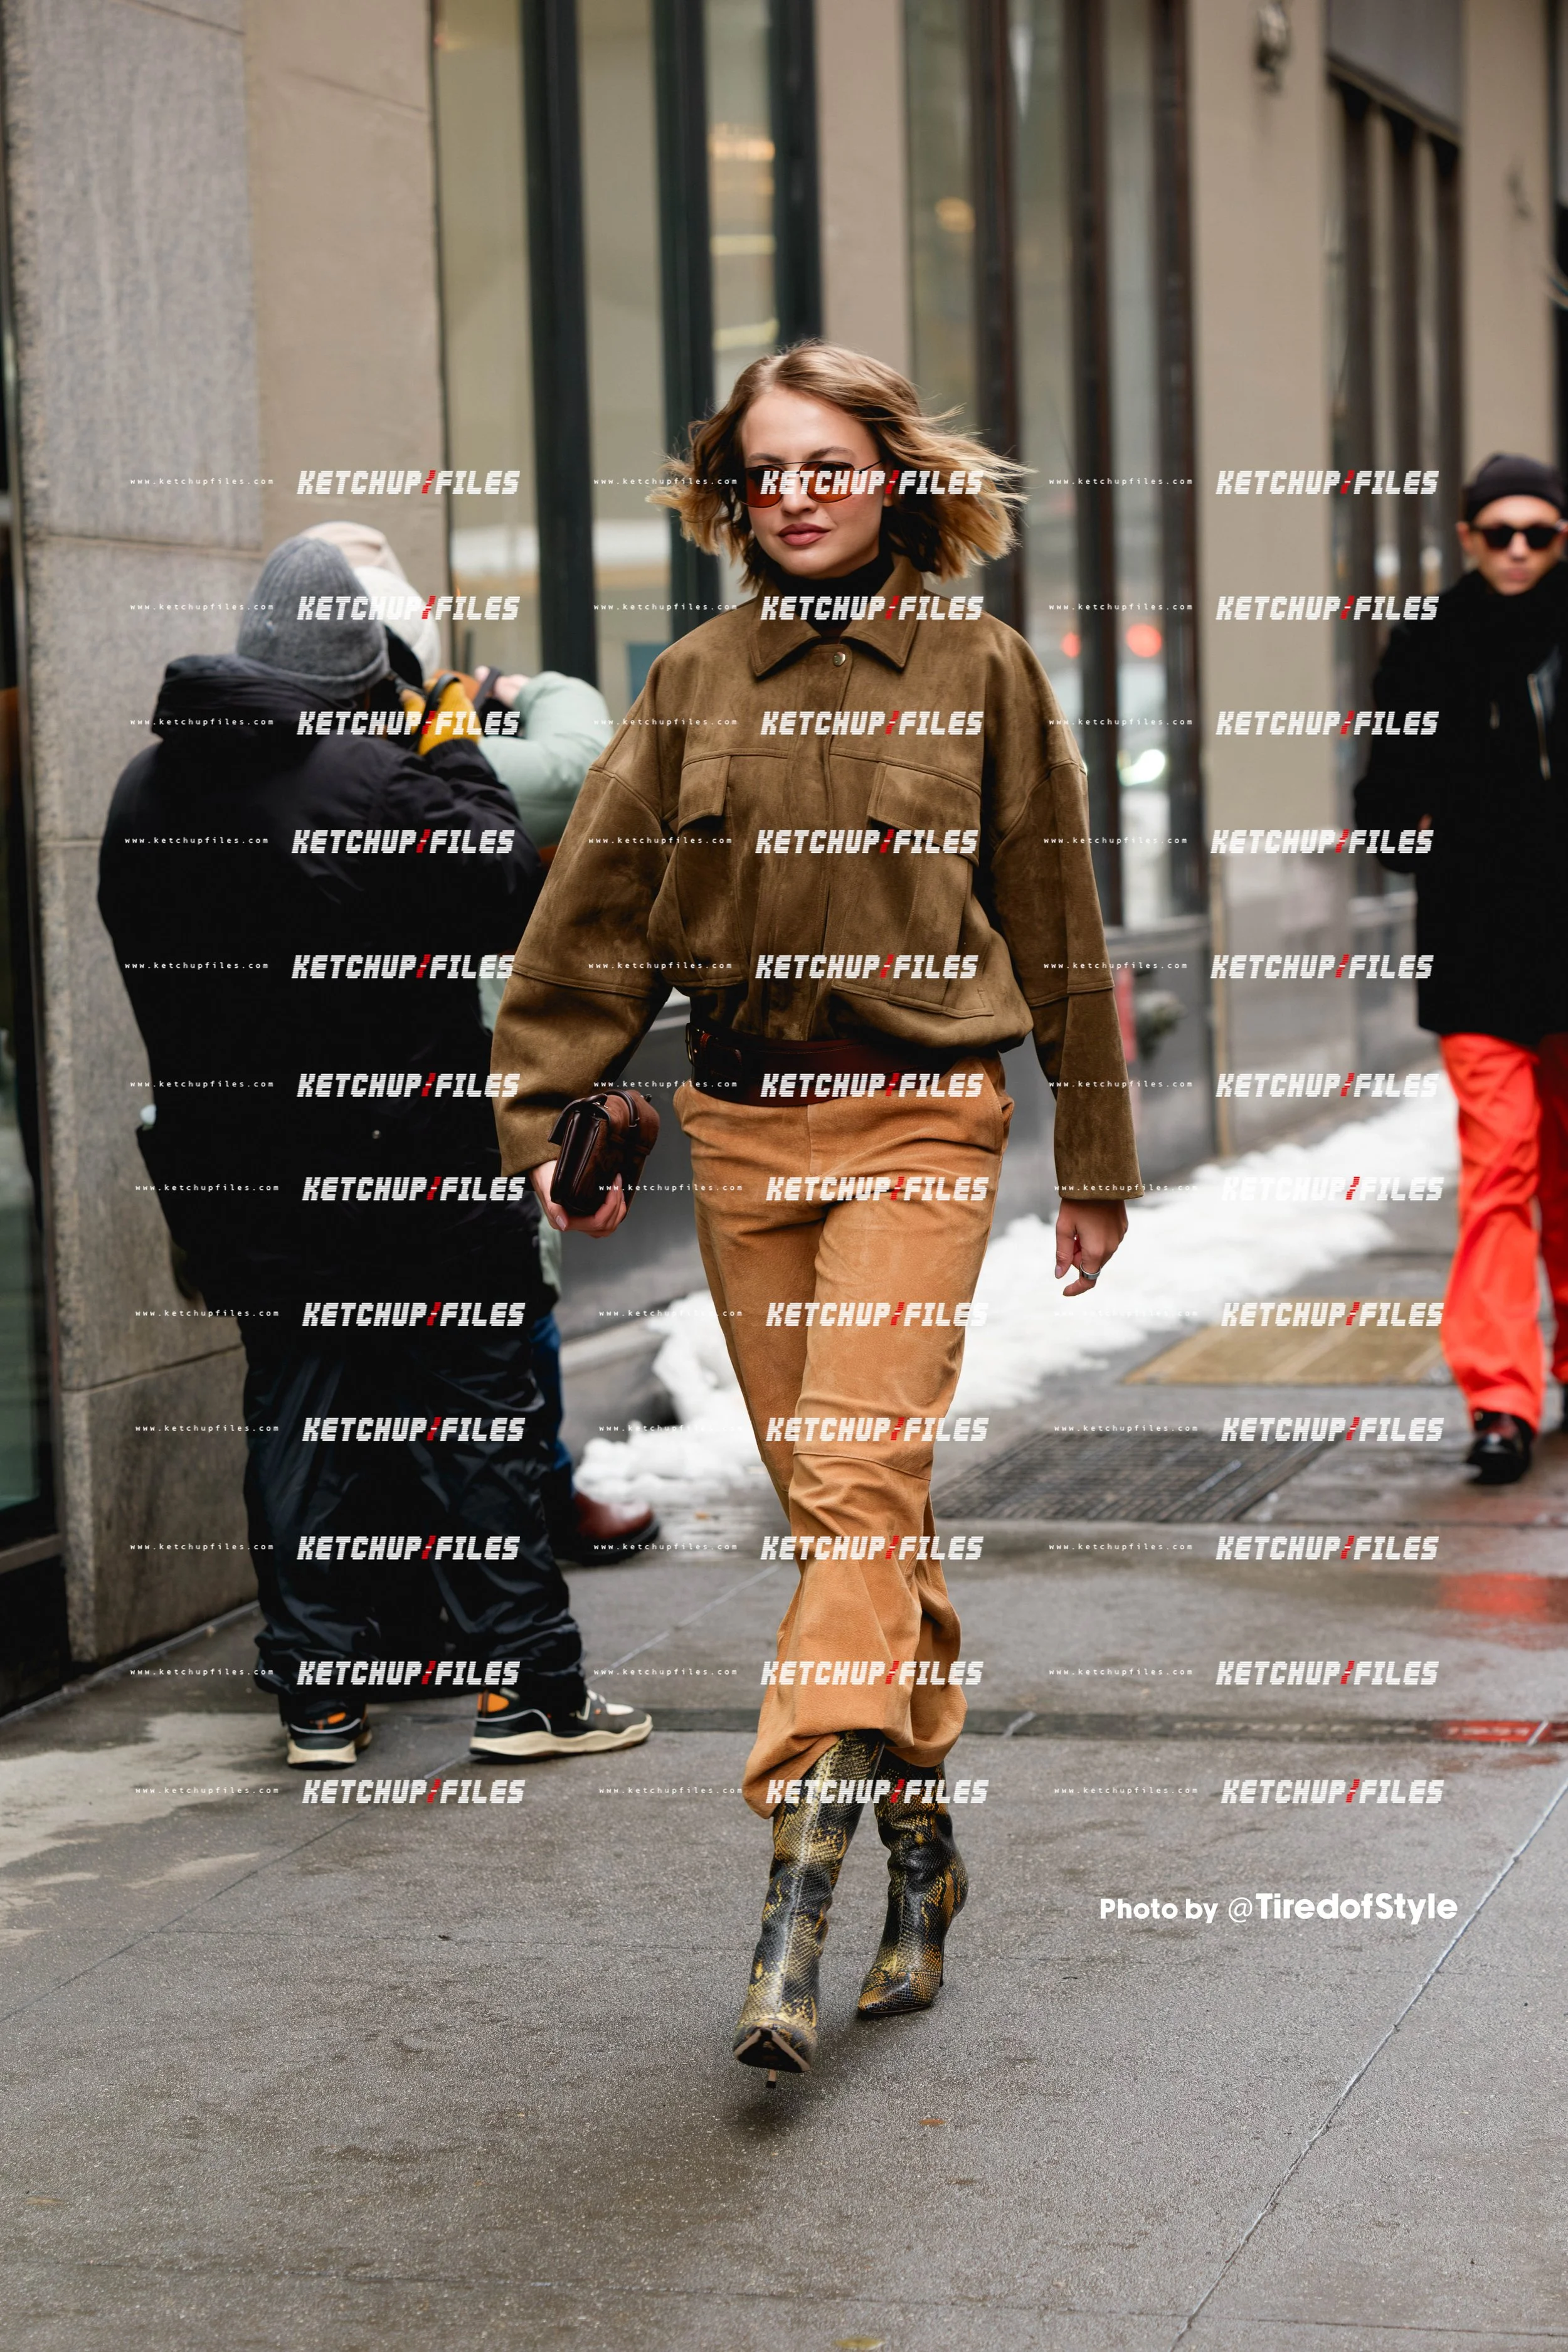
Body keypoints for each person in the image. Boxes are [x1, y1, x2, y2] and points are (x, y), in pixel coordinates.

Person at [490, 342, 1140, 2075]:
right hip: (748, 1141)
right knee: (848, 1518)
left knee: (856, 1477)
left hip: (925, 1120)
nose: (793, 493)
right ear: (730, 488)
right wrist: (549, 1104)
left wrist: (1091, 1158)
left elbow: (1058, 917)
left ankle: (799, 1878)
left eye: (825, 464)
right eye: (763, 469)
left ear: (892, 479)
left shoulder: (979, 669)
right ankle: (924, 1844)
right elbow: (595, 914)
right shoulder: (692, 678)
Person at [98, 532, 650, 1767]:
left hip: (241, 1180)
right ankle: (529, 1699)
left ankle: (319, 1703)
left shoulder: (146, 791)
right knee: (477, 1423)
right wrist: (447, 732)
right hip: (410, 1170)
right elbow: (505, 874)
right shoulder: (377, 780)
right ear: (362, 671)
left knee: (296, 1420)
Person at [302, 520, 659, 1569]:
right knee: (505, 1308)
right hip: (434, 1097)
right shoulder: (413, 764)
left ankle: (394, 1593)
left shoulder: (251, 770)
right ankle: (528, 1528)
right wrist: (499, 688)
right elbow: (586, 754)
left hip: (333, 1118)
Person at [1357, 453, 1568, 1485]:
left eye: (1540, 533)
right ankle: (1500, 1398)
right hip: (1481, 947)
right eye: (1502, 532)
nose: (1520, 550)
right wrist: (1438, 836)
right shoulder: (1431, 648)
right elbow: (1381, 802)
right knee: (1500, 1173)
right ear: (1470, 537)